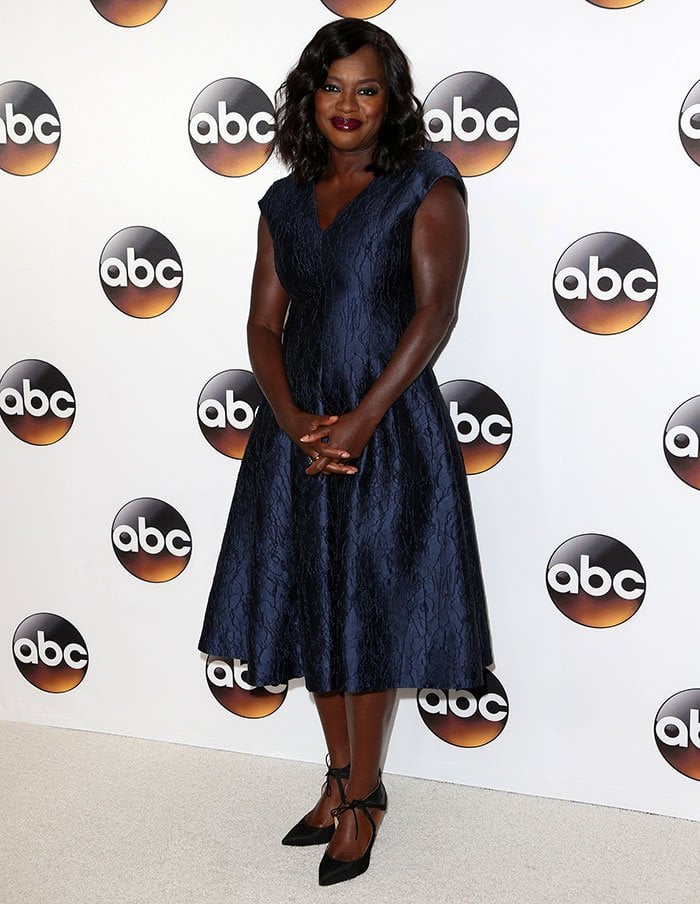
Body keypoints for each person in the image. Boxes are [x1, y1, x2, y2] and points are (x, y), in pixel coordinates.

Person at [198, 17, 493, 887]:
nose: (349, 106)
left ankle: (364, 797)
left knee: (368, 614)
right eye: (334, 88)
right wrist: (291, 420)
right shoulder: (285, 201)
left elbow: (431, 316)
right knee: (311, 609)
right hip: (298, 436)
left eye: (368, 89)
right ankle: (338, 776)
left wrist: (360, 421)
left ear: (390, 98)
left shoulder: (426, 186)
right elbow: (262, 323)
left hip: (387, 432)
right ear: (310, 96)